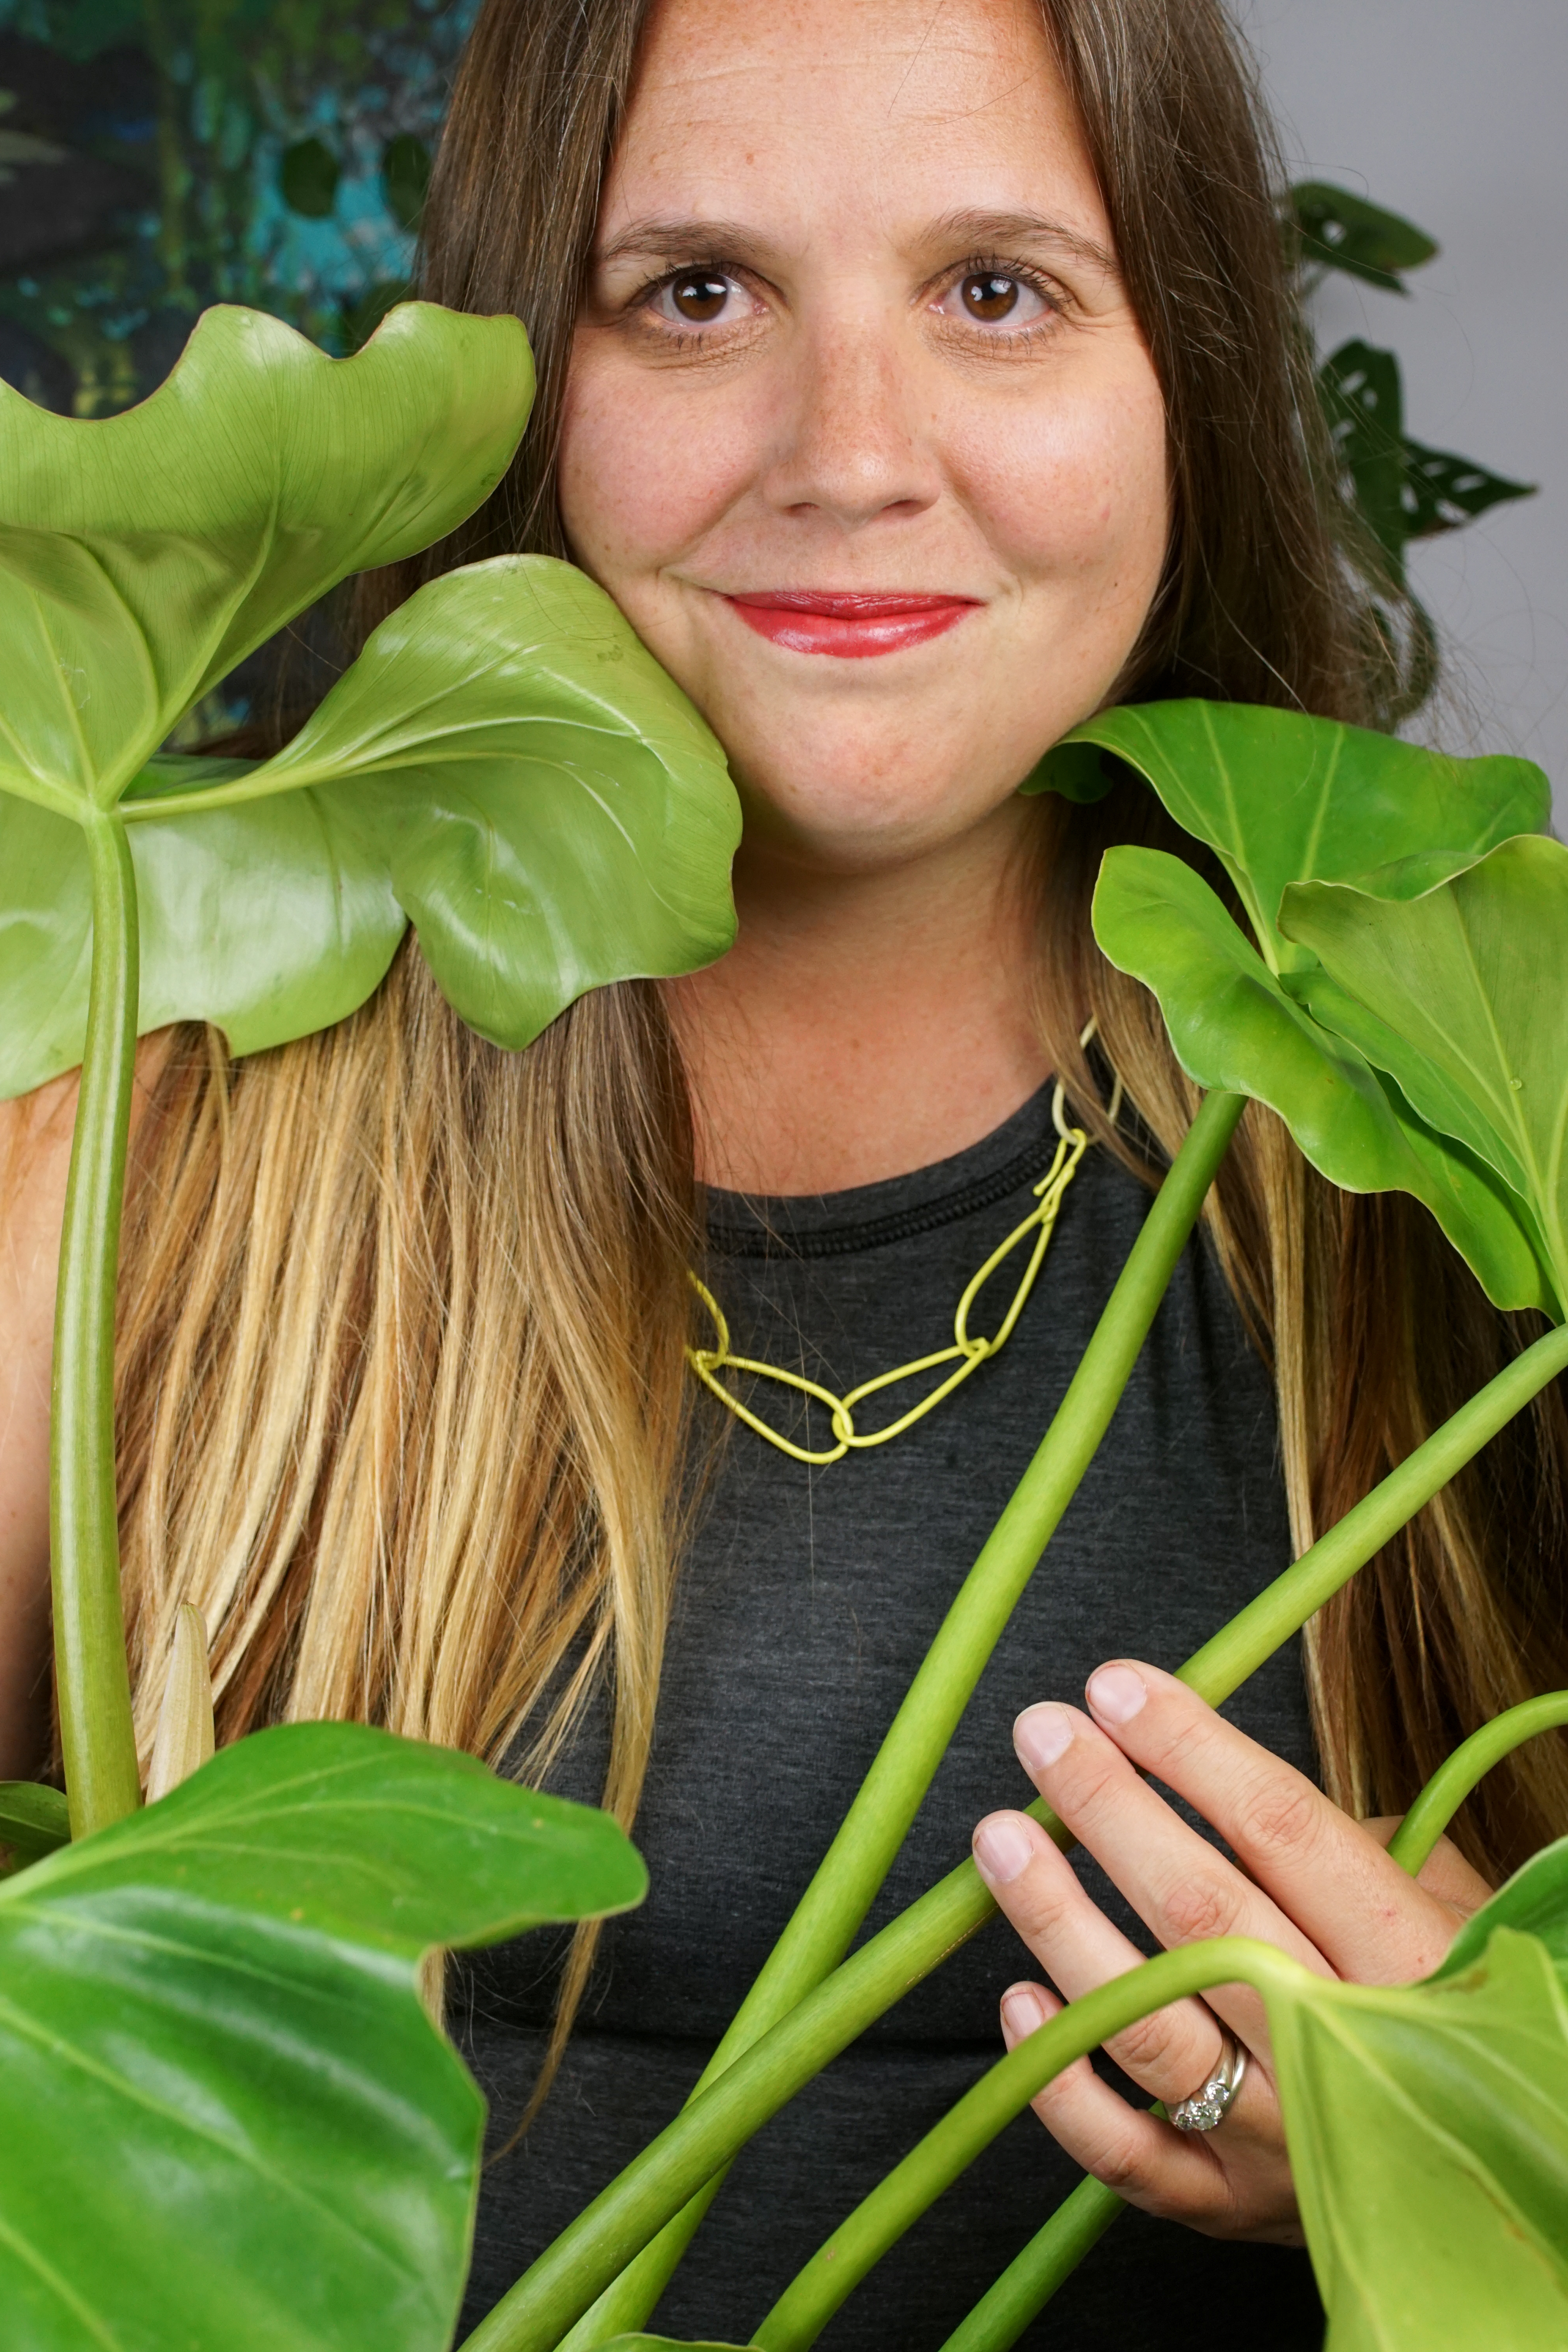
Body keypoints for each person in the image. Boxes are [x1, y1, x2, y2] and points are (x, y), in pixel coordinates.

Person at [2, 0, 1565, 2344]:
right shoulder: (163, 1112)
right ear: (534, 368)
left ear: (1191, 375)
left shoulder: (1449, 1150)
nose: (851, 454)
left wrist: (1470, 2117)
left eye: (999, 289)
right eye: (700, 292)